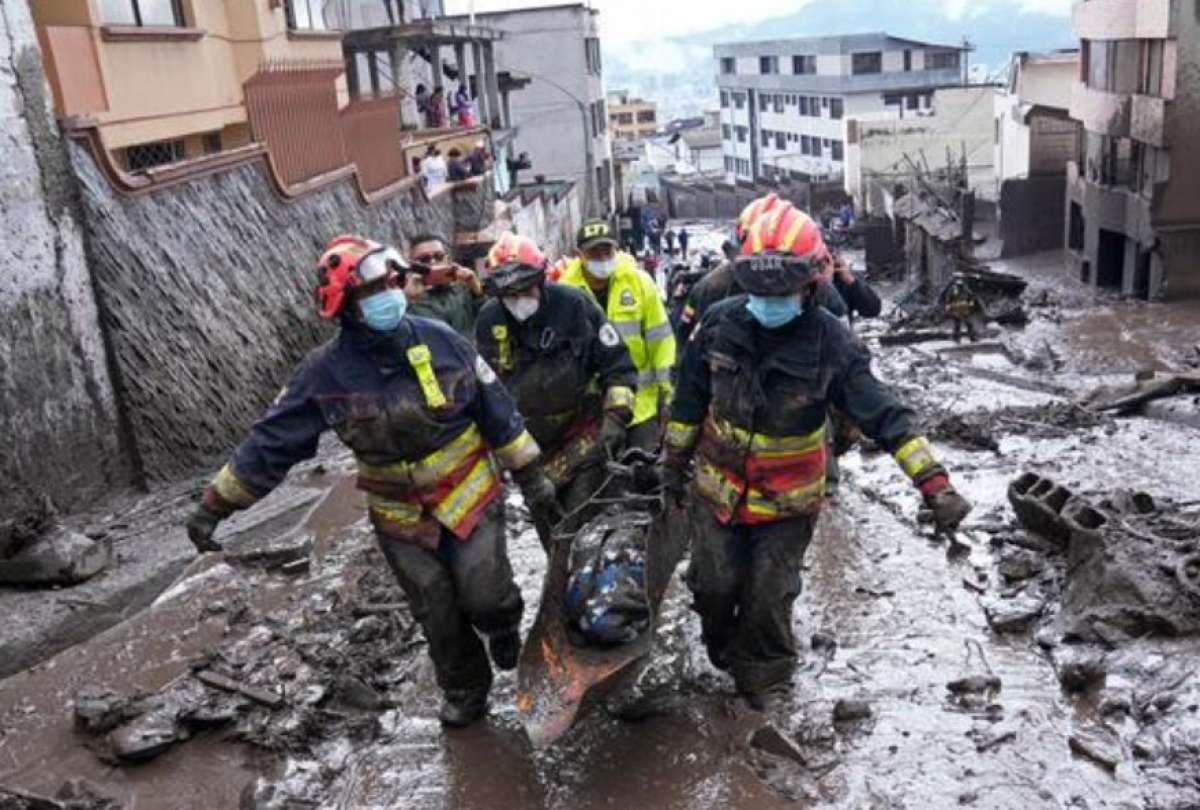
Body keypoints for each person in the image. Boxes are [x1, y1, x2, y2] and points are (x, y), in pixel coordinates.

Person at [185, 236, 562, 727]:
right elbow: (270, 443)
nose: (389, 295)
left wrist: (532, 477)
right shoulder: (324, 373)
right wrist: (214, 505)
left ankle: (502, 625)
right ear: (344, 303)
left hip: (467, 494)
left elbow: (497, 412)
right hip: (400, 514)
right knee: (436, 610)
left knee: (485, 594)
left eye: (392, 283)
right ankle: (465, 688)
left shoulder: (442, 341)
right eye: (373, 289)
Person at [662, 202, 972, 710]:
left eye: (781, 291)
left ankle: (767, 681)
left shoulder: (832, 341)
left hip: (786, 503)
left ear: (810, 284)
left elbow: (884, 415)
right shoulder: (718, 325)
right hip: (718, 494)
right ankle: (724, 653)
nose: (770, 302)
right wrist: (672, 469)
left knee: (768, 593)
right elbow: (688, 403)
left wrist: (934, 484)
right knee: (713, 586)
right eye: (761, 291)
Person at [475, 234, 638, 534]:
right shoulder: (490, 321)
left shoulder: (574, 305)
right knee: (549, 528)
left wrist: (616, 418)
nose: (518, 300)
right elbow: (488, 393)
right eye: (509, 295)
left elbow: (618, 366)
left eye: (524, 290)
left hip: (582, 435)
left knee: (579, 524)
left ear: (540, 279)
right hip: (529, 450)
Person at [559, 219, 675, 451]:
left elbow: (661, 341)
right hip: (590, 412)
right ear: (579, 255)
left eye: (607, 251)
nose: (603, 259)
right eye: (594, 253)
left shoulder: (639, 283)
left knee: (644, 467)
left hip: (640, 406)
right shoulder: (565, 292)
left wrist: (669, 395)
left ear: (617, 249)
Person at [404, 233, 483, 341]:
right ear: (413, 265)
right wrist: (407, 300)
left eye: (438, 256)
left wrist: (474, 284)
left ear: (447, 259)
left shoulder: (463, 290)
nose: (433, 262)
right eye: (424, 259)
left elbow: (488, 314)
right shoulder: (407, 300)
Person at [941, 275, 986, 343]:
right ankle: (957, 338)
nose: (959, 281)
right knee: (958, 324)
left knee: (968, 323)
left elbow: (971, 295)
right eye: (958, 279)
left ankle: (972, 337)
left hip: (964, 307)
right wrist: (948, 305)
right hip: (956, 308)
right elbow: (948, 297)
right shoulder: (953, 288)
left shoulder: (965, 288)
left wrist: (971, 302)